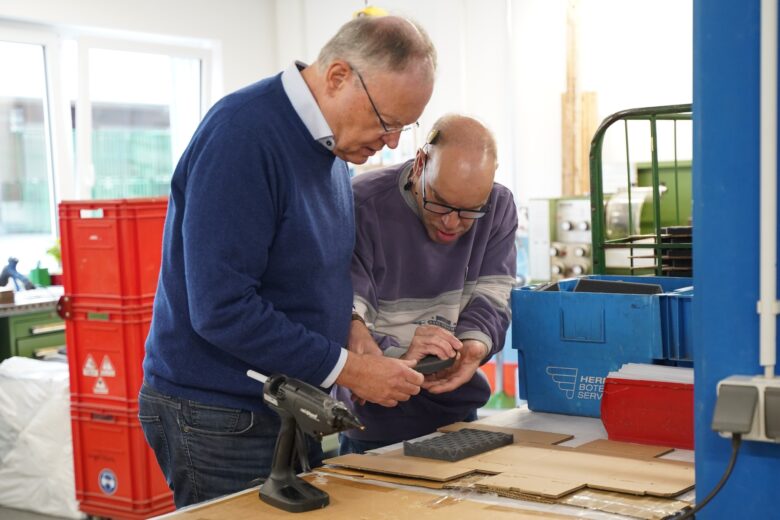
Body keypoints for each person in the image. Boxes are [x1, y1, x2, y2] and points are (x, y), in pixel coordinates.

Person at [138, 16, 437, 507]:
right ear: (338, 76)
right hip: (219, 411)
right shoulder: (244, 136)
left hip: (287, 403)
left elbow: (308, 272)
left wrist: (351, 332)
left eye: (405, 127)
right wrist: (349, 371)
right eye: (386, 121)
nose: (391, 143)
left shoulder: (333, 148)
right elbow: (222, 308)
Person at [335, 114, 518, 454]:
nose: (452, 223)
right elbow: (345, 317)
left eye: (469, 212)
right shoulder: (361, 205)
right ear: (420, 164)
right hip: (375, 424)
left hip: (458, 415)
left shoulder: (499, 206)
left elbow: (493, 294)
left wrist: (473, 346)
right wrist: (402, 354)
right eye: (440, 203)